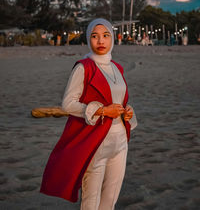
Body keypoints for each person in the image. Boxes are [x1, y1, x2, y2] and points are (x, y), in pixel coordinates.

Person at [40, 18, 137, 210]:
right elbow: (68, 104)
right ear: (88, 39)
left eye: (105, 36)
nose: (100, 41)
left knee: (111, 197)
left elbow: (119, 98)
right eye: (95, 36)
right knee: (91, 200)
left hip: (120, 141)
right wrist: (102, 110)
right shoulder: (83, 67)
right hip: (96, 140)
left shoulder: (117, 68)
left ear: (112, 39)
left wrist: (128, 111)